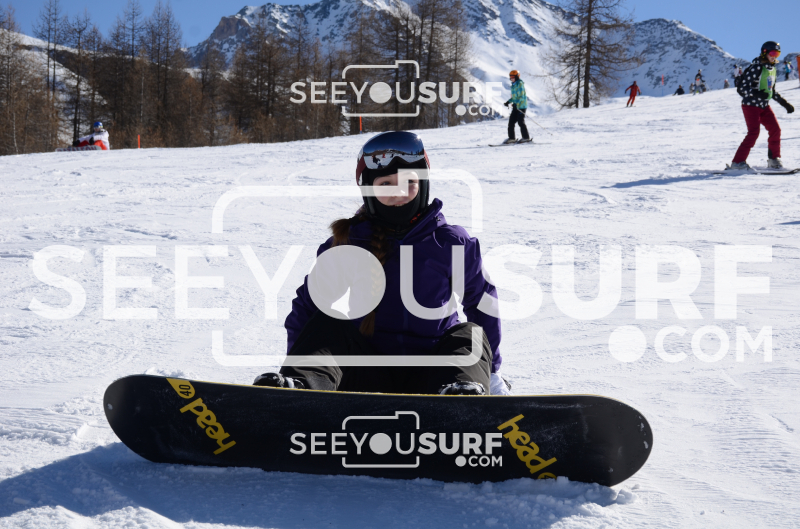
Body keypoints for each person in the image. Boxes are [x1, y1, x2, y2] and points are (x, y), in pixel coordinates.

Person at [253, 131, 508, 396]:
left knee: (469, 334)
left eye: (409, 182)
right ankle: (302, 392)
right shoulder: (349, 242)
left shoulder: (450, 242)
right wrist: (298, 368)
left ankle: (464, 397)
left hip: (437, 379)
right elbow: (308, 306)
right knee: (327, 323)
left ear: (423, 184)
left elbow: (481, 302)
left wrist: (492, 373)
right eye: (386, 184)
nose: (399, 192)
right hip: (365, 377)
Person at [729, 41, 795, 170]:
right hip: (750, 105)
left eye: (777, 54)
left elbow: (771, 91)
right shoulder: (756, 68)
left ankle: (774, 159)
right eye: (772, 53)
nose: (774, 57)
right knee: (754, 132)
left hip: (764, 106)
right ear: (765, 53)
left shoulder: (772, 70)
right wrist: (756, 93)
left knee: (775, 129)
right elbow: (742, 89)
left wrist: (784, 103)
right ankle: (737, 162)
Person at [502, 70, 531, 144]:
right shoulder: (513, 85)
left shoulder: (520, 84)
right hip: (516, 106)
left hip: (521, 106)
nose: (511, 78)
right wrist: (508, 102)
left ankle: (526, 137)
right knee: (511, 122)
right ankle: (512, 138)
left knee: (520, 122)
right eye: (510, 77)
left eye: (513, 77)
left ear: (517, 77)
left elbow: (522, 97)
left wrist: (516, 104)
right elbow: (514, 97)